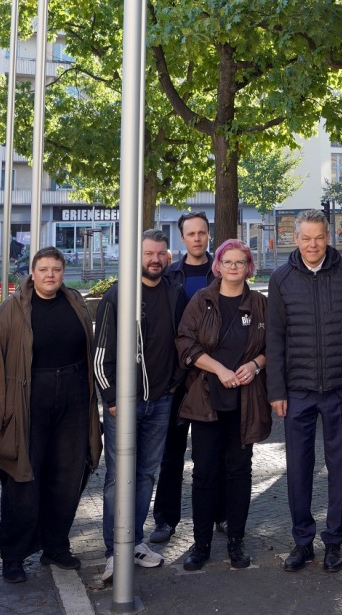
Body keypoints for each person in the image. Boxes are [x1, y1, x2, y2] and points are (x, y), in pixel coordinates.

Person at [0, 246, 102, 585]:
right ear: (32, 274)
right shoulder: (11, 311)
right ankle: (13, 556)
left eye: (56, 269)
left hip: (73, 398)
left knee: (67, 475)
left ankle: (56, 546)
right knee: (23, 480)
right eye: (43, 269)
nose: (50, 275)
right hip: (28, 401)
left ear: (63, 273)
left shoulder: (76, 303)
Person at [266, 207, 342, 571]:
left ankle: (334, 542)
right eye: (306, 238)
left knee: (339, 468)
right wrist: (277, 390)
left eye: (318, 238)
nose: (312, 244)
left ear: (329, 236)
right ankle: (302, 541)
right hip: (298, 391)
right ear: (296, 239)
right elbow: (274, 339)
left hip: (339, 387)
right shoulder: (281, 279)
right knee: (299, 469)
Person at [93, 229, 186, 583]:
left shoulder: (174, 294)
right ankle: (113, 550)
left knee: (147, 474)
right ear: (137, 256)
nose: (156, 259)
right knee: (118, 479)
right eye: (150, 253)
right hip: (124, 403)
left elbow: (179, 341)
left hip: (161, 401)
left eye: (161, 254)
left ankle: (134, 542)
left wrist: (174, 382)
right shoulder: (120, 295)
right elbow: (100, 354)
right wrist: (112, 397)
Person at [174, 239, 270, 571]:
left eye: (239, 262)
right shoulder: (202, 301)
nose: (232, 268)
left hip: (245, 401)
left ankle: (236, 541)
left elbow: (275, 345)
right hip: (206, 399)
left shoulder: (260, 304)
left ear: (248, 267)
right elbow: (184, 341)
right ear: (218, 266)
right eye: (227, 262)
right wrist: (220, 369)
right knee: (204, 473)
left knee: (240, 471)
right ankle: (200, 545)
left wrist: (255, 364)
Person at [149, 211, 219, 544]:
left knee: (213, 450)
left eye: (202, 233)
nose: (196, 238)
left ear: (208, 235)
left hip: (212, 375)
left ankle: (219, 513)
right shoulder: (170, 275)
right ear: (182, 238)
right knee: (171, 453)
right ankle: (165, 518)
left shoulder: (220, 272)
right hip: (176, 377)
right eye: (190, 233)